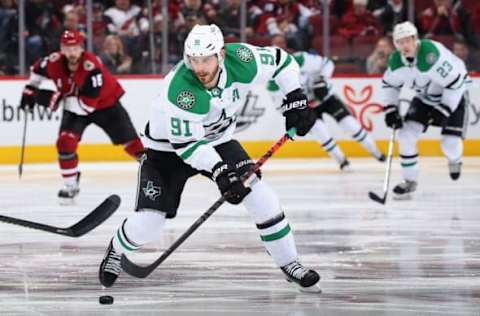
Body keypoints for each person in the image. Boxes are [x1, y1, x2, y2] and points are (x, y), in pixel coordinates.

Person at [98, 24, 321, 292]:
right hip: (167, 152)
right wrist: (220, 173)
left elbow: (281, 61)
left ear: (222, 55)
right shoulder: (182, 90)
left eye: (206, 59)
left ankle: (290, 263)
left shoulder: (243, 60)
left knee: (262, 197)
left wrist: (295, 96)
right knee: (149, 224)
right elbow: (189, 145)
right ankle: (116, 249)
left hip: (219, 141)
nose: (200, 67)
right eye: (194, 60)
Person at [19, 30, 144, 203]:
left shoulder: (91, 67)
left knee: (132, 143)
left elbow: (86, 107)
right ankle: (70, 186)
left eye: (75, 48)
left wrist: (53, 99)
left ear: (82, 48)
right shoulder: (54, 61)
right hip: (74, 105)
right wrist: (31, 89)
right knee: (65, 142)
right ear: (62, 48)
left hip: (105, 105)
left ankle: (156, 170)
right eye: (67, 48)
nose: (72, 53)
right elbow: (37, 70)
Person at [268, 34, 385, 170]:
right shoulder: (273, 83)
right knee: (321, 133)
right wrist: (295, 116)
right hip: (307, 109)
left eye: (282, 43)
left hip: (326, 98)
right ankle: (343, 162)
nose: (280, 47)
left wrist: (322, 80)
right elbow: (281, 107)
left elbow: (327, 64)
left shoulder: (301, 58)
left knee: (350, 125)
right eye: (276, 45)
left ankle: (377, 153)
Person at [382, 22, 469, 199]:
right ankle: (410, 181)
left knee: (450, 144)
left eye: (408, 40)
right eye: (400, 42)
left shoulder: (430, 55)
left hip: (454, 93)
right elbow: (389, 85)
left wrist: (444, 108)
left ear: (415, 39)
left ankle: (455, 160)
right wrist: (390, 109)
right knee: (405, 135)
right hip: (426, 97)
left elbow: (455, 83)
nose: (404, 45)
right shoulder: (396, 61)